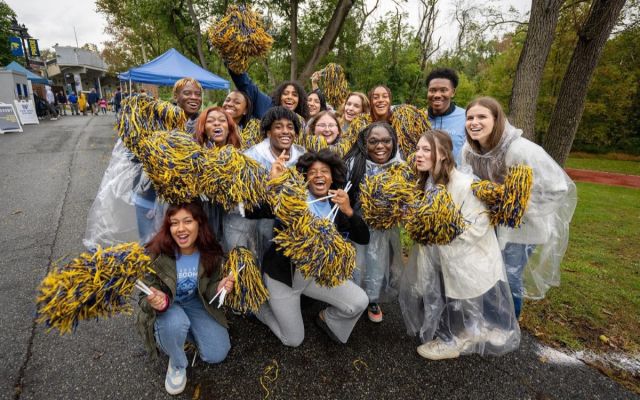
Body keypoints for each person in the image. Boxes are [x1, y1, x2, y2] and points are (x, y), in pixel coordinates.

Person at [399, 130, 520, 360]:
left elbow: (478, 224)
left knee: (456, 299)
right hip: (441, 256)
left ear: (443, 154)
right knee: (438, 293)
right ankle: (453, 332)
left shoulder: (464, 184)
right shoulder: (426, 182)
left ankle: (453, 341)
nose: (419, 154)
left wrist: (443, 237)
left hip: (464, 257)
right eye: (418, 149)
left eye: (426, 150)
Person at [460, 97, 577, 318]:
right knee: (488, 269)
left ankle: (508, 322)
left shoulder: (521, 150)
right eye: (470, 118)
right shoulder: (469, 150)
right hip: (490, 221)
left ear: (497, 120)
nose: (474, 122)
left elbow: (558, 188)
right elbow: (468, 179)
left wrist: (516, 205)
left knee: (508, 274)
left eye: (482, 117)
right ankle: (488, 317)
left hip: (524, 227)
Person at [251, 149, 370, 346]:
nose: (318, 175)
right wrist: (274, 184)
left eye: (324, 171)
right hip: (284, 280)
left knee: (358, 302)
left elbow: (363, 238)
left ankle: (327, 319)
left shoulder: (337, 205)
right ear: (305, 178)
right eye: (312, 172)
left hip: (314, 277)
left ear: (333, 178)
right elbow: (254, 210)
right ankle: (259, 308)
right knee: (293, 340)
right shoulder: (293, 200)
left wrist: (349, 211)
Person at [136, 202, 234, 395]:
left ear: (199, 223)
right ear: (168, 226)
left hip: (194, 301)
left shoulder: (209, 251)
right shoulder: (157, 252)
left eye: (187, 221)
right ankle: (177, 361)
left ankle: (180, 335)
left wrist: (220, 288)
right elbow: (141, 297)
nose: (180, 229)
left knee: (217, 353)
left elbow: (208, 290)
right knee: (175, 323)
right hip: (169, 306)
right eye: (174, 223)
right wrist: (157, 301)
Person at [224, 106, 306, 259]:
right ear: (268, 132)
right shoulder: (250, 159)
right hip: (247, 232)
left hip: (285, 239)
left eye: (290, 127)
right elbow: (238, 205)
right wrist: (270, 184)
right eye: (278, 127)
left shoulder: (303, 158)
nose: (285, 131)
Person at [343, 122, 404, 323]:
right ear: (364, 143)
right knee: (356, 263)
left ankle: (372, 299)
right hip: (357, 226)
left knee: (377, 263)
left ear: (394, 142)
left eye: (386, 141)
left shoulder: (399, 167)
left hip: (383, 230)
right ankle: (351, 298)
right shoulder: (354, 164)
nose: (380, 146)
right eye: (373, 141)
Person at [133, 78, 203, 243]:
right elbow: (135, 153)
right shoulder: (157, 118)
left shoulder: (203, 124)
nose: (193, 97)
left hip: (185, 202)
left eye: (197, 94)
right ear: (176, 96)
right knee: (151, 246)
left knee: (180, 247)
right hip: (149, 195)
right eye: (187, 93)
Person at [194, 106, 242, 241]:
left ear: (229, 128)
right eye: (210, 121)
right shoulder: (195, 158)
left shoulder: (241, 157)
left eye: (222, 120)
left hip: (233, 220)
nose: (217, 123)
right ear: (203, 128)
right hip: (204, 219)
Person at [226, 65, 309, 120]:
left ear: (300, 100)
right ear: (279, 96)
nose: (289, 97)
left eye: (294, 95)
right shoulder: (267, 106)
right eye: (285, 93)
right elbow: (246, 84)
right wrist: (234, 60)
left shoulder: (302, 122)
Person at [426, 68, 467, 165]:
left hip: (456, 176)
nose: (437, 95)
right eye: (432, 90)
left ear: (453, 92)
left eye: (443, 90)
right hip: (424, 178)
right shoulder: (418, 118)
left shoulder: (466, 118)